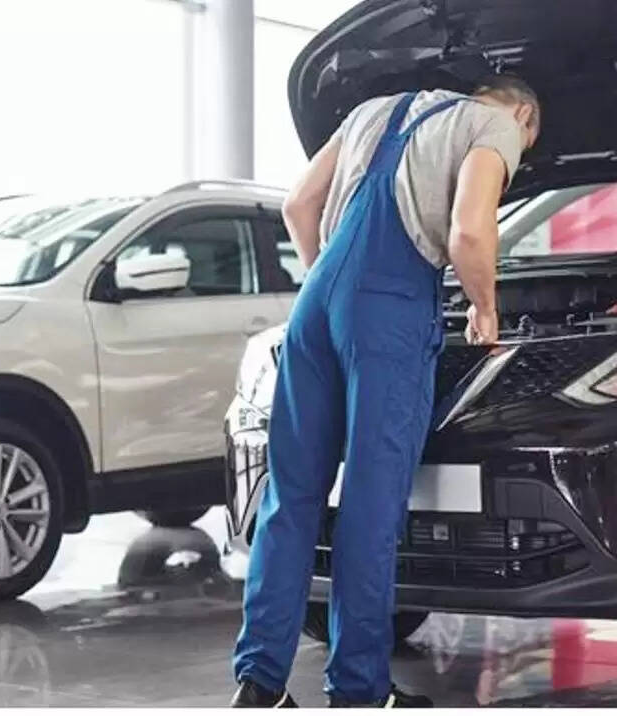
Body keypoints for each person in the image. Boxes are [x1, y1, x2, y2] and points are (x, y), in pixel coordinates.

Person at [230, 75, 541, 708]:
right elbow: (469, 232)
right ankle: (359, 690)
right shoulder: (496, 125)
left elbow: (299, 205)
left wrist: (332, 284)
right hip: (389, 306)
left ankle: (259, 683)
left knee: (290, 497)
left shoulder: (371, 111)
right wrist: (484, 307)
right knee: (370, 506)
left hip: (316, 301)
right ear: (525, 117)